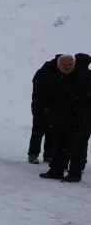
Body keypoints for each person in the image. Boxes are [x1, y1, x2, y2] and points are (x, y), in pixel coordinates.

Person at [40, 54, 90, 182]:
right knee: (63, 144)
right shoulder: (61, 77)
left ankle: (71, 173)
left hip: (78, 119)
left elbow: (79, 100)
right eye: (64, 64)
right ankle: (60, 170)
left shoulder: (80, 78)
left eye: (70, 64)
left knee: (75, 146)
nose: (67, 67)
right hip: (65, 118)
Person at [29, 54, 62, 164]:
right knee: (38, 131)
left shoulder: (58, 72)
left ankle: (49, 155)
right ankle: (33, 154)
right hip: (41, 107)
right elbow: (40, 93)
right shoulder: (43, 73)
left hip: (53, 108)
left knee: (51, 132)